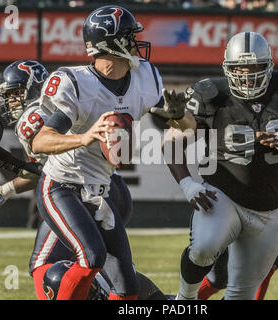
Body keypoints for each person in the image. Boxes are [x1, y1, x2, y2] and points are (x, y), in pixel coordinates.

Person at [31, 5, 191, 300]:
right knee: (91, 257)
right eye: (130, 37)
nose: (136, 44)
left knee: (127, 288)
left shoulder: (144, 76)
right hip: (62, 186)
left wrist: (179, 116)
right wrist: (86, 136)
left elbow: (187, 126)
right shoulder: (77, 83)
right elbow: (40, 142)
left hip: (101, 190)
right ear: (111, 43)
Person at [163, 31, 278, 300]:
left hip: (272, 208)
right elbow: (174, 139)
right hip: (222, 195)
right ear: (226, 68)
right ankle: (185, 300)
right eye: (239, 69)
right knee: (204, 247)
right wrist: (186, 184)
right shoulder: (210, 92)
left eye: (254, 68)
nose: (246, 75)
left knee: (241, 293)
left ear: (269, 66)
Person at [0, 60, 49, 218]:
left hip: (84, 193)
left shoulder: (37, 119)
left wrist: (3, 190)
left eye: (17, 93)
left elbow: (53, 172)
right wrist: (3, 191)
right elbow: (41, 172)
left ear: (39, 89)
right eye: (9, 95)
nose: (11, 101)